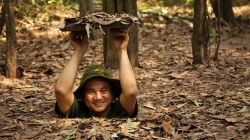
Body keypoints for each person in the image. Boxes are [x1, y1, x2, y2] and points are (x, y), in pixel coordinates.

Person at [54, 28, 138, 118]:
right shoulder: (77, 110)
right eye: (91, 92)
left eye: (104, 90)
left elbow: (131, 92)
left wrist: (122, 50)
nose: (98, 97)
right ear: (82, 96)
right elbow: (61, 91)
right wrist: (79, 50)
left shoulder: (119, 111)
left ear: (113, 93)